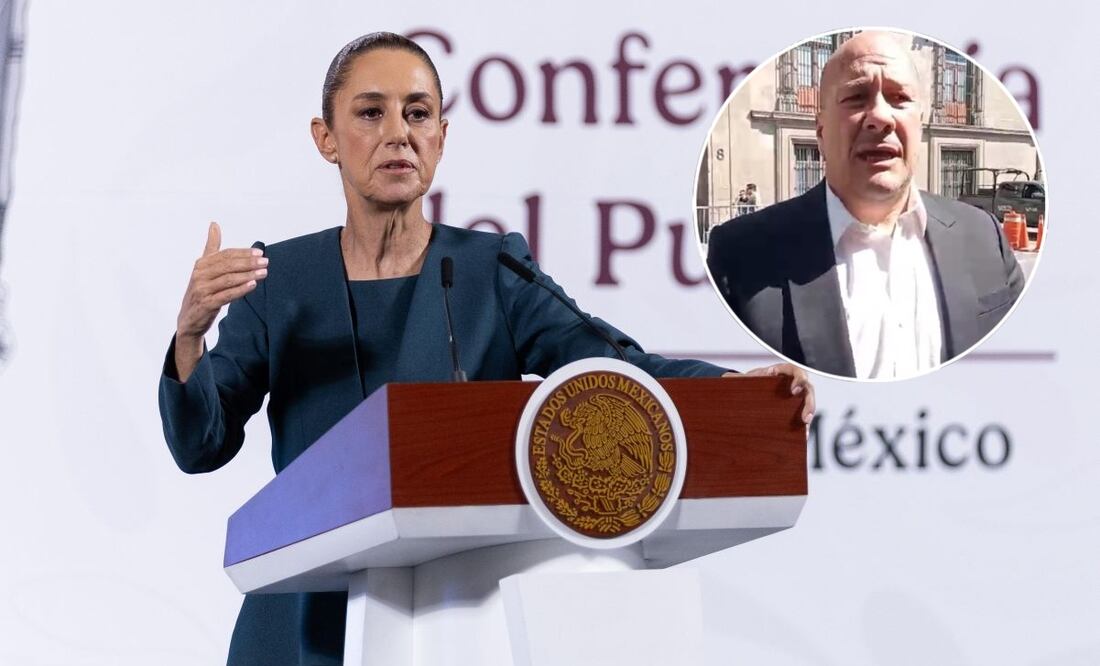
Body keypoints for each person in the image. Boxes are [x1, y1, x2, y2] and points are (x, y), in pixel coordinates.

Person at [158, 32, 815, 665]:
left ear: (441, 138)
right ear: (325, 139)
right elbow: (201, 443)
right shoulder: (278, 281)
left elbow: (606, 362)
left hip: (449, 618)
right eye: (370, 112)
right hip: (302, 619)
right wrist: (190, 333)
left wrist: (725, 390)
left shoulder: (488, 270)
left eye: (418, 113)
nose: (398, 133)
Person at [706, 31, 1024, 380]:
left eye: (899, 97)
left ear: (920, 122)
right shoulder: (739, 257)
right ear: (821, 133)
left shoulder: (985, 237)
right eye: (857, 97)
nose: (880, 117)